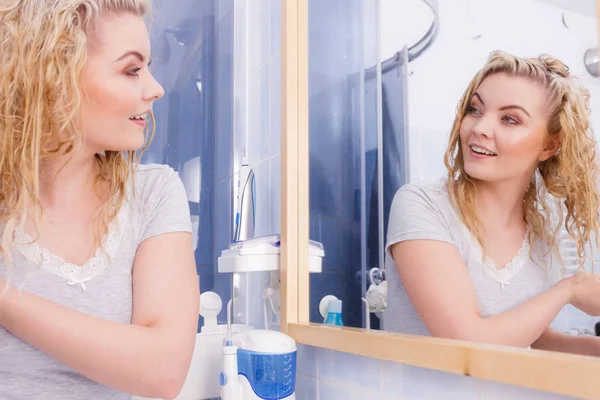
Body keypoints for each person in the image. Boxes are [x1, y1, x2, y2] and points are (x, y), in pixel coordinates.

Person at [0, 1, 200, 399]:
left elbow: (163, 372)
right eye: (132, 70)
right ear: (54, 76)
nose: (156, 88)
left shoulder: (153, 194)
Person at [384, 50, 600, 356]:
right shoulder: (422, 205)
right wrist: (570, 289)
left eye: (509, 119)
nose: (480, 128)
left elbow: (529, 337)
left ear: (550, 145)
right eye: (475, 109)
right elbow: (467, 341)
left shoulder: (541, 236)